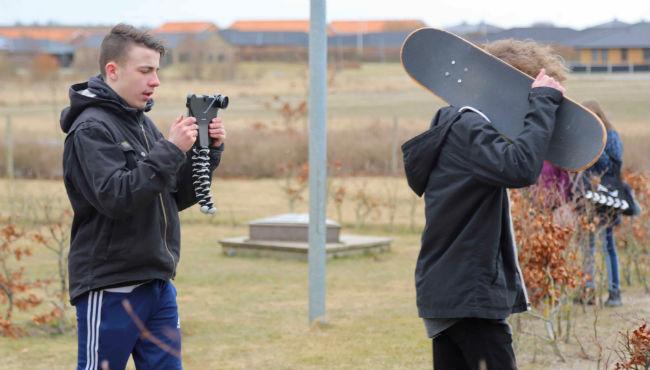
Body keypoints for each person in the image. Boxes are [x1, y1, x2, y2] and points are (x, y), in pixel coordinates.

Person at [60, 24, 226, 370]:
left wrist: (206, 152)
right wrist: (169, 149)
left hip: (157, 284)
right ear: (113, 70)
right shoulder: (91, 128)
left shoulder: (140, 123)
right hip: (111, 287)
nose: (156, 81)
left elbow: (171, 197)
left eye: (157, 71)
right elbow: (117, 197)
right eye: (145, 70)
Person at [402, 39, 567, 370]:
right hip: (468, 294)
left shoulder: (459, 127)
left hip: (453, 291)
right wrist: (544, 102)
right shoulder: (467, 128)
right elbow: (519, 167)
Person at [580, 100, 624, 307]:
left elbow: (613, 168)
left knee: (608, 245)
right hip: (587, 196)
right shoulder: (583, 137)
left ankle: (615, 292)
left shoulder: (611, 136)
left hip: (608, 197)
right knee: (587, 245)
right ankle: (588, 292)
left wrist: (596, 145)